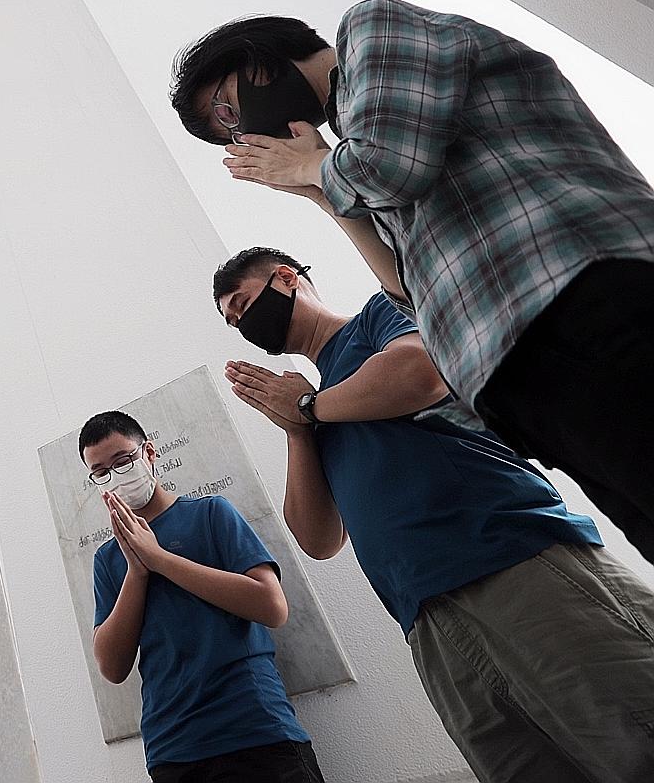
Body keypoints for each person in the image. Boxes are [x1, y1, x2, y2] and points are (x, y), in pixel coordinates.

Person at [168, 0, 654, 561]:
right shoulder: (349, 156)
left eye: (229, 113)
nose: (244, 135)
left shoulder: (371, 30)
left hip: (578, 299)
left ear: (257, 60)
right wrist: (318, 190)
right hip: (515, 380)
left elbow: (393, 166)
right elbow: (407, 290)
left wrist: (311, 166)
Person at [213, 246, 654, 782]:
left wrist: (311, 408)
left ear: (286, 279)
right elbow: (318, 538)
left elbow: (421, 373)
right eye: (232, 320)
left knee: (635, 737)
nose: (243, 323)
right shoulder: (320, 400)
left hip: (511, 564)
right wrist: (298, 428)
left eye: (243, 303)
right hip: (429, 623)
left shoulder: (379, 314)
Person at [82, 410, 324, 783]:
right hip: (173, 750)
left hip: (256, 729)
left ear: (149, 452)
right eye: (100, 472)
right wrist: (137, 570)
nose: (114, 476)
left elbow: (272, 607)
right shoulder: (109, 558)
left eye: (123, 461)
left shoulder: (211, 513)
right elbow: (112, 667)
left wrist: (160, 559)